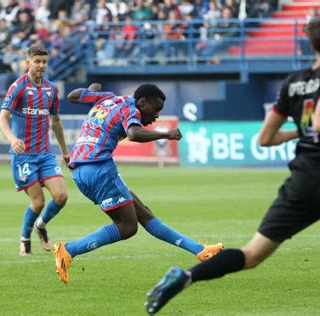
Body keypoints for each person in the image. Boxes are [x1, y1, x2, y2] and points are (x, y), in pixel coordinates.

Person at [145, 6, 320, 314]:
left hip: (301, 183)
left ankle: (185, 277)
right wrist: (314, 127)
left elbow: (265, 138)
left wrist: (301, 132)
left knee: (251, 254)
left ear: (312, 44)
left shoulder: (293, 82)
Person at [53, 83, 224, 284]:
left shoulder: (108, 98)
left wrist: (93, 93)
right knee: (127, 227)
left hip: (81, 170)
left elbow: (73, 96)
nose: (157, 116)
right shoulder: (131, 108)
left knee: (143, 213)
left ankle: (200, 251)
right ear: (142, 102)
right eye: (156, 109)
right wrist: (165, 134)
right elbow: (134, 134)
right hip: (99, 168)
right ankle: (68, 250)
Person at [0, 45, 70, 256]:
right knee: (38, 202)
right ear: (27, 63)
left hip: (45, 154)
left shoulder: (51, 90)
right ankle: (25, 238)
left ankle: (41, 225)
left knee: (62, 196)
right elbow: (2, 118)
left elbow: (56, 122)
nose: (41, 66)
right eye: (37, 62)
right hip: (24, 157)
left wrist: (65, 151)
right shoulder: (18, 87)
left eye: (44, 62)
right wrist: (12, 139)